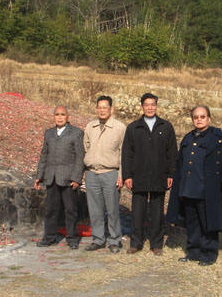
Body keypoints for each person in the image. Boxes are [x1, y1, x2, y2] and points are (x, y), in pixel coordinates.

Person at [166, 106, 222, 266]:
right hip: (189, 187)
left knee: (208, 222)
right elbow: (181, 163)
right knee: (192, 222)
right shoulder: (188, 138)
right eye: (196, 117)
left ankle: (208, 254)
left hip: (207, 188)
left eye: (202, 117)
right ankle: (193, 251)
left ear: (209, 119)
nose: (199, 120)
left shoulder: (217, 138)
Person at [122, 93, 177, 256]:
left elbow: (172, 153)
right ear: (142, 107)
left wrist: (171, 174)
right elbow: (127, 154)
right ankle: (135, 243)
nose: (150, 107)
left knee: (157, 213)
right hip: (138, 176)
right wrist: (127, 175)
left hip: (159, 176)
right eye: (147, 105)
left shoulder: (166, 127)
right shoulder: (133, 128)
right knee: (137, 212)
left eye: (153, 104)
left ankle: (156, 244)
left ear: (156, 106)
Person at [34, 106, 85, 249]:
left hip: (69, 179)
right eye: (57, 114)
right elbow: (44, 155)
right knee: (51, 210)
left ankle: (72, 238)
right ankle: (49, 237)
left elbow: (80, 157)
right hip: (51, 177)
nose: (60, 117)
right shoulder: (49, 133)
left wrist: (76, 178)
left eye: (63, 114)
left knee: (70, 210)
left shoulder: (76, 133)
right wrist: (39, 176)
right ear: (53, 116)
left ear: (68, 116)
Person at [83, 95, 126, 253]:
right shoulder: (90, 126)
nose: (102, 110)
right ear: (96, 109)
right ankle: (98, 239)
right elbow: (86, 148)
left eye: (105, 107)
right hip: (92, 174)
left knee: (112, 209)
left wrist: (121, 175)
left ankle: (115, 240)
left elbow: (124, 154)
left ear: (111, 109)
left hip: (110, 173)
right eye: (99, 107)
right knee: (94, 209)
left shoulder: (120, 128)